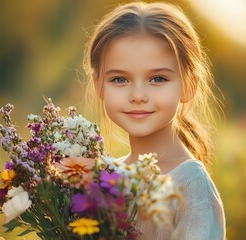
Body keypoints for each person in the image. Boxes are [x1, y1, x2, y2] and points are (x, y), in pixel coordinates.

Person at [83, 2, 225, 239]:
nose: (138, 95)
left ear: (189, 84)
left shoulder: (191, 187)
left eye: (157, 78)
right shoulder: (104, 176)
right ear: (99, 85)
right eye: (119, 79)